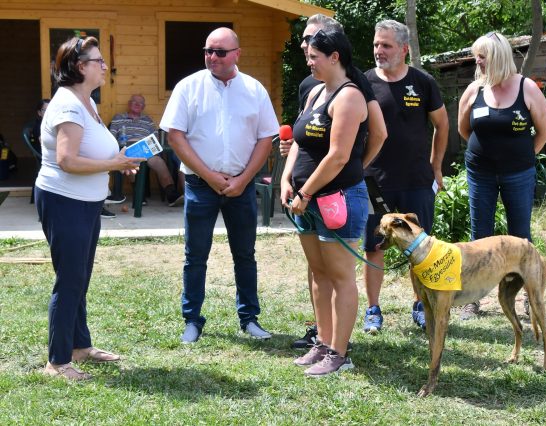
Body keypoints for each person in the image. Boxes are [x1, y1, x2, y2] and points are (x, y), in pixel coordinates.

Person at [160, 27, 279, 343]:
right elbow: (175, 137)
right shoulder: (189, 87)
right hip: (201, 185)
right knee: (195, 256)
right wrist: (210, 175)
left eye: (220, 52)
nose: (212, 57)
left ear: (237, 54)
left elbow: (265, 138)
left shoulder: (254, 89)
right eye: (208, 51)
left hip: (241, 186)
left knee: (245, 254)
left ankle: (249, 318)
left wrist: (243, 179)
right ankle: (192, 320)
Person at [35, 36, 144, 380]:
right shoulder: (68, 105)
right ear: (81, 67)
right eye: (99, 61)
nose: (105, 67)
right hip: (64, 201)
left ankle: (79, 346)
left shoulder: (86, 101)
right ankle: (57, 362)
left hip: (83, 202)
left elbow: (89, 152)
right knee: (70, 279)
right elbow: (67, 160)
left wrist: (118, 160)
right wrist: (113, 164)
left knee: (79, 276)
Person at [281, 14, 387, 350]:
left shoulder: (351, 92)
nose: (307, 58)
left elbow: (344, 153)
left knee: (340, 275)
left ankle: (338, 351)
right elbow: (299, 141)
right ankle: (322, 342)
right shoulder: (313, 90)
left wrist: (350, 169)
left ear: (334, 56)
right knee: (319, 272)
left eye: (314, 54)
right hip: (306, 197)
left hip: (333, 197)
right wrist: (286, 177)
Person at [361, 19, 449, 334]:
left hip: (416, 180)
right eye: (376, 44)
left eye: (386, 45)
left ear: (404, 49)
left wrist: (436, 167)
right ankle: (373, 310)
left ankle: (420, 305)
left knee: (419, 247)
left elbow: (442, 124)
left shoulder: (423, 82)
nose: (379, 50)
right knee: (373, 247)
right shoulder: (364, 82)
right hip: (374, 181)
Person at [457, 31, 546, 319]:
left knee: (521, 236)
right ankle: (473, 299)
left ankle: (529, 297)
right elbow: (464, 129)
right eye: (477, 56)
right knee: (479, 237)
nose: (477, 61)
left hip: (518, 174)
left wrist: (523, 157)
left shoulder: (527, 88)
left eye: (482, 56)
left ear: (498, 57)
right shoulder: (474, 90)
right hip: (480, 173)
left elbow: (545, 130)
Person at [108, 94, 183, 207]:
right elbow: (111, 137)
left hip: (146, 149)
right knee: (131, 162)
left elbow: (155, 138)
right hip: (127, 149)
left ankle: (171, 194)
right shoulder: (119, 118)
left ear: (143, 107)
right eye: (135, 102)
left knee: (159, 162)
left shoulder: (148, 120)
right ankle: (139, 195)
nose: (138, 104)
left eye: (141, 103)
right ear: (129, 104)